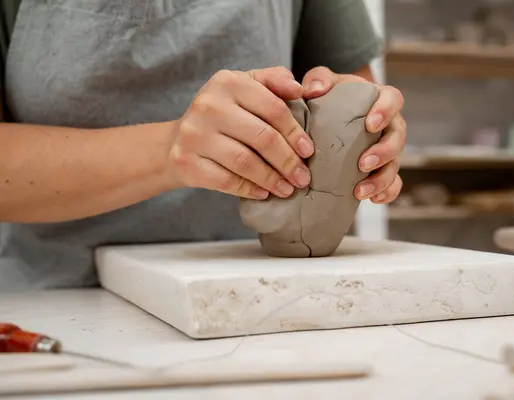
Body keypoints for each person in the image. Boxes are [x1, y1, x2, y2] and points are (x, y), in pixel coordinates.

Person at [0, 1, 406, 291]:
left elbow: (351, 84)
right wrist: (167, 151)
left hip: (259, 284)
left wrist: (367, 127)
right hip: (56, 296)